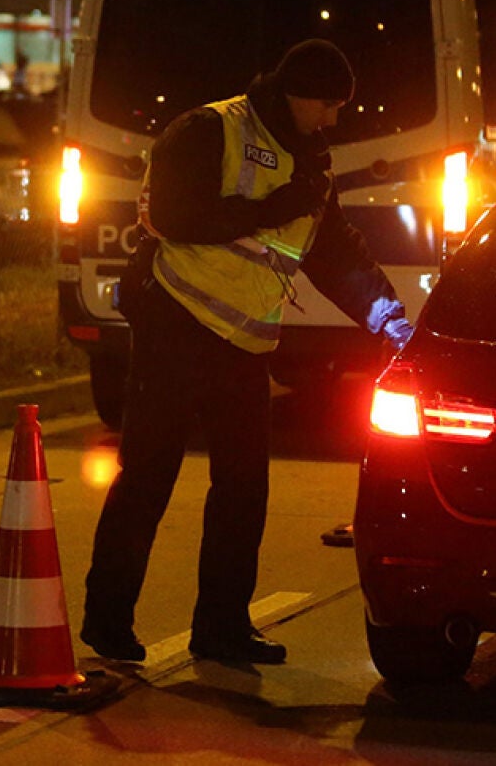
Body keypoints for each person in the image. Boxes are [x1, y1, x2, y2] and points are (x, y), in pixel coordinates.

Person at [80, 39, 416, 666]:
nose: (332, 118)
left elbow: (333, 251)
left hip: (243, 343)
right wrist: (268, 209)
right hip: (176, 324)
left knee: (243, 489)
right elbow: (175, 216)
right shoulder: (211, 128)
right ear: (292, 94)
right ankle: (107, 620)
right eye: (325, 104)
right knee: (148, 476)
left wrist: (389, 320)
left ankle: (223, 628)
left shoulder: (314, 163)